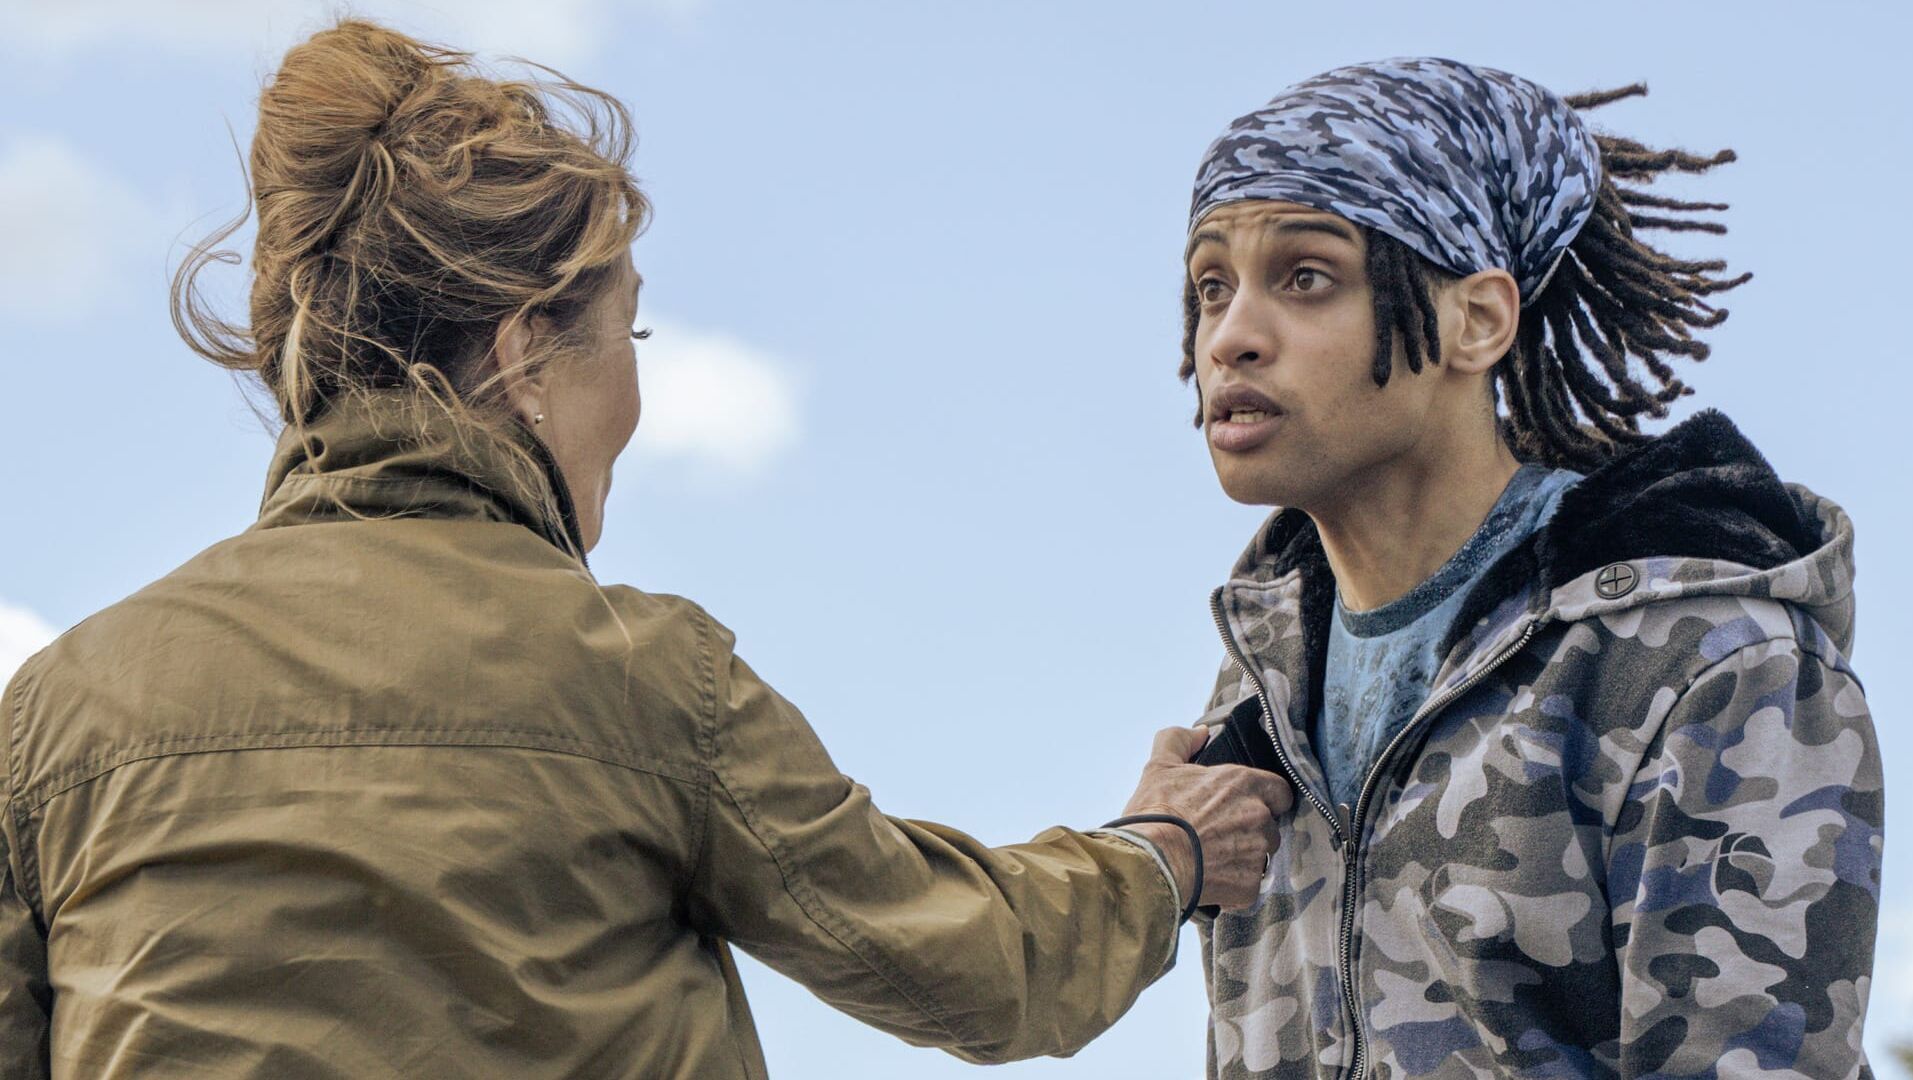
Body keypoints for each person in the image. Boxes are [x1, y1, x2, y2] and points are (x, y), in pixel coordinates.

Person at [0, 21, 1292, 1078]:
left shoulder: (56, 712)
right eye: (632, 336)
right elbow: (974, 969)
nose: (636, 392)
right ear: (524, 354)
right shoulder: (644, 680)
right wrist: (1162, 852)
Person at [1178, 58, 1881, 1079]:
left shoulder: (1704, 666)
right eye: (1211, 288)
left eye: (1306, 277)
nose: (1231, 338)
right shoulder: (1259, 699)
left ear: (1477, 320)